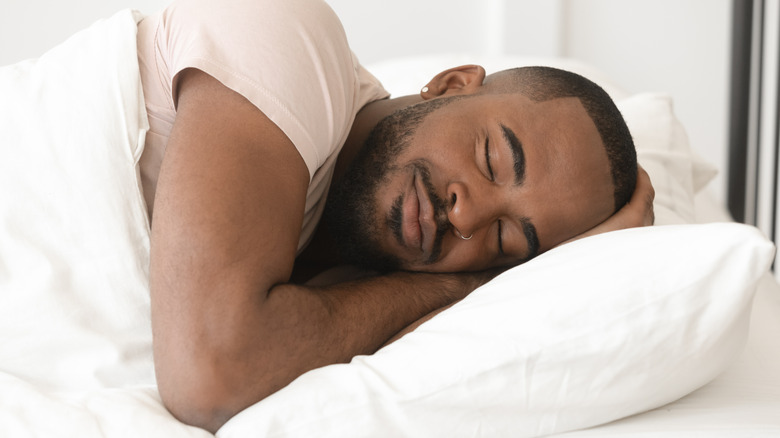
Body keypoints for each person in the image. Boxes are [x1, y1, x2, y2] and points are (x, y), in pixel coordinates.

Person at [137, 0, 653, 432]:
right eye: (492, 159)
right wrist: (463, 284)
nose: (468, 216)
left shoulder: (364, 283)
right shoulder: (285, 36)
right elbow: (212, 378)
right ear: (452, 83)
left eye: (505, 240)